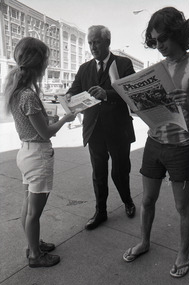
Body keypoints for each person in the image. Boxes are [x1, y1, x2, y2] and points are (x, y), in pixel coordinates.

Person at [123, 7, 189, 278]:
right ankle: (144, 241)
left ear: (178, 33)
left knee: (182, 206)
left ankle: (183, 252)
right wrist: (137, 106)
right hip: (154, 142)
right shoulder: (157, 68)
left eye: (163, 39)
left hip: (180, 146)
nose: (159, 46)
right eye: (154, 41)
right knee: (148, 199)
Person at [4, 37, 75, 268]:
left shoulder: (18, 92)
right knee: (34, 212)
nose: (47, 66)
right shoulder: (29, 95)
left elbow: (33, 125)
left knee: (28, 205)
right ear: (39, 64)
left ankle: (33, 244)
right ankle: (35, 255)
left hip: (26, 153)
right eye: (46, 61)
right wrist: (65, 118)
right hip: (38, 157)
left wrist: (49, 119)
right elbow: (45, 133)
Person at [66, 25, 136, 230]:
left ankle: (128, 201)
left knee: (120, 171)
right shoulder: (85, 68)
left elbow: (130, 93)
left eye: (96, 41)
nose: (92, 46)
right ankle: (101, 211)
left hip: (118, 129)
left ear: (107, 42)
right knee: (98, 173)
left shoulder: (123, 64)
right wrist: (70, 96)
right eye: (90, 42)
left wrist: (107, 94)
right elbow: (75, 89)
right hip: (94, 129)